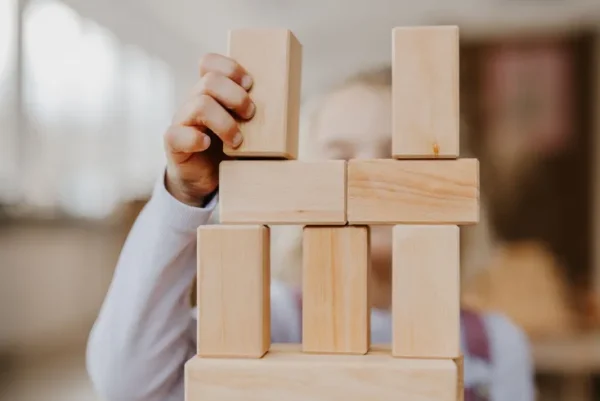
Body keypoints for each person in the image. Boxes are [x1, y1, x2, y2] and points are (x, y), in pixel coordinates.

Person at [86, 53, 535, 401]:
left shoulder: (495, 345)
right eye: (339, 156)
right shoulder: (267, 319)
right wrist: (184, 196)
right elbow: (129, 383)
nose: (365, 175)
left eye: (398, 156)